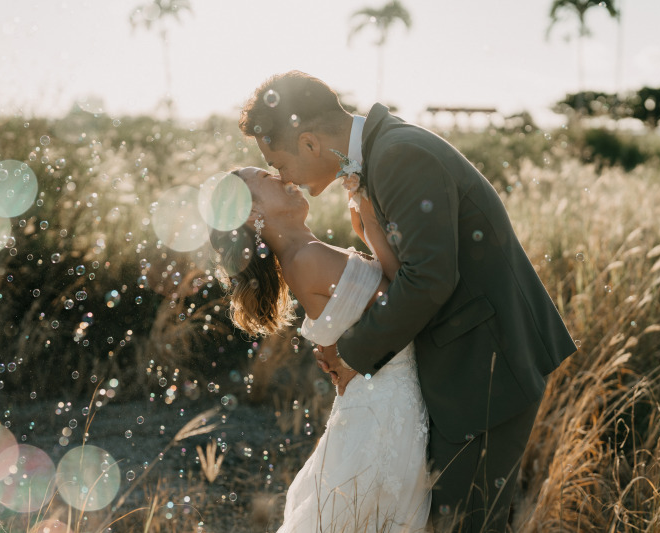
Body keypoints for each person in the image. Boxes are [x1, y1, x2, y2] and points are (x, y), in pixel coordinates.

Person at [237, 71, 578, 532]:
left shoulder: (399, 156)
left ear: (310, 143)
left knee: (467, 524)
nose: (283, 176)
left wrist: (352, 353)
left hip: (484, 371)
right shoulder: (384, 155)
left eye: (278, 162)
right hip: (459, 372)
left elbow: (430, 279)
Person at [210, 167, 431, 532]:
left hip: (381, 399)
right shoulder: (306, 257)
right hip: (387, 408)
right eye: (268, 179)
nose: (284, 177)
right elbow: (402, 304)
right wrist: (372, 224)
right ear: (252, 213)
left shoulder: (303, 254)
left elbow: (353, 313)